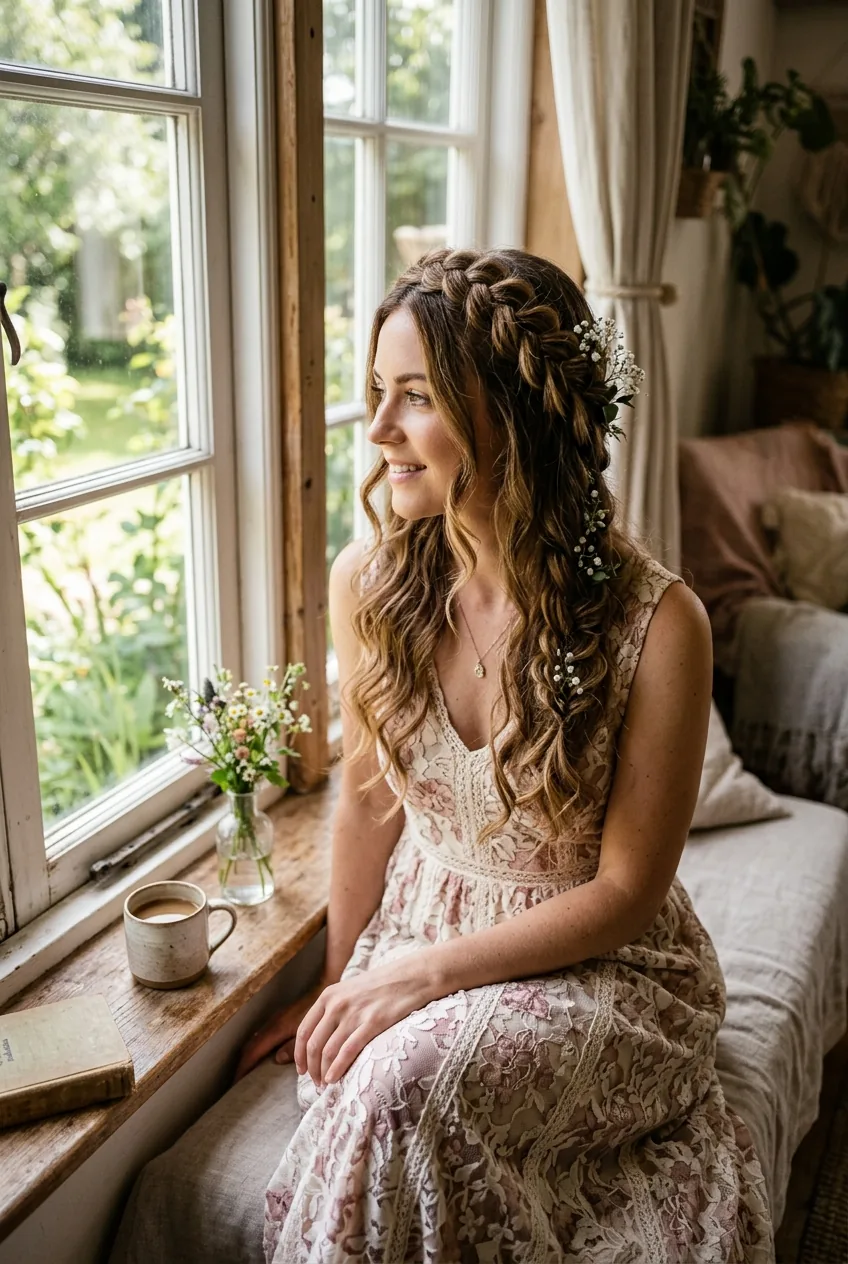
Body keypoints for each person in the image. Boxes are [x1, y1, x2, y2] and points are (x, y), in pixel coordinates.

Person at [236, 247, 775, 1262]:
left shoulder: (658, 623)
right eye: (374, 395)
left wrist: (423, 978)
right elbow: (365, 803)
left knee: (401, 1088)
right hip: (423, 919)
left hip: (600, 966)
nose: (380, 431)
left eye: (414, 397)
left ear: (505, 417)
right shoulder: (370, 583)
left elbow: (624, 888)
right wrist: (344, 973)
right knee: (390, 1086)